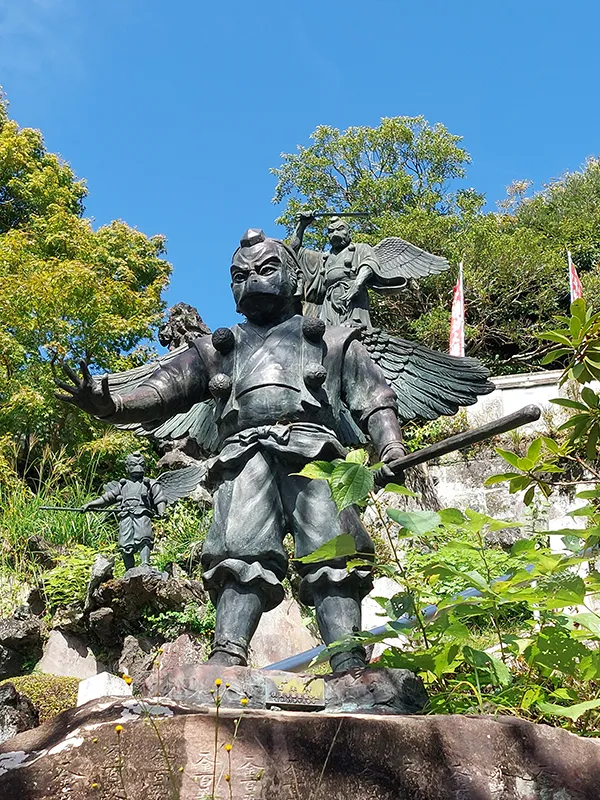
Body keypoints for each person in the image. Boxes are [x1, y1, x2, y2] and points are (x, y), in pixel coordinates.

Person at [56, 229, 407, 672]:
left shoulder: (334, 341)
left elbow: (375, 397)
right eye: (239, 275)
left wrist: (390, 444)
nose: (251, 280)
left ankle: (349, 662)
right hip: (243, 456)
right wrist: (114, 405)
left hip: (316, 454)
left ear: (295, 277)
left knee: (333, 552)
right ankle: (227, 656)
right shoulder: (219, 349)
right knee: (238, 550)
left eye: (265, 269)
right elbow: (165, 390)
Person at [290, 213, 378, 326]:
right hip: (329, 302)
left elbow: (369, 264)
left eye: (340, 229)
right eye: (331, 231)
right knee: (328, 334)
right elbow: (293, 250)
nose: (335, 233)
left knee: (352, 329)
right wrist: (302, 225)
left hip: (353, 296)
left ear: (349, 233)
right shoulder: (323, 258)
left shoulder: (360, 248)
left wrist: (357, 283)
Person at [83, 452, 166, 570]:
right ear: (127, 467)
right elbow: (107, 498)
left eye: (141, 464)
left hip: (142, 514)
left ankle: (145, 564)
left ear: (145, 467)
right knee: (125, 543)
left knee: (144, 538)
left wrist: (162, 512)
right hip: (126, 516)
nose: (138, 467)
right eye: (133, 464)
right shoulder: (122, 485)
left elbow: (159, 499)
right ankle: (129, 570)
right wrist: (90, 504)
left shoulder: (150, 483)